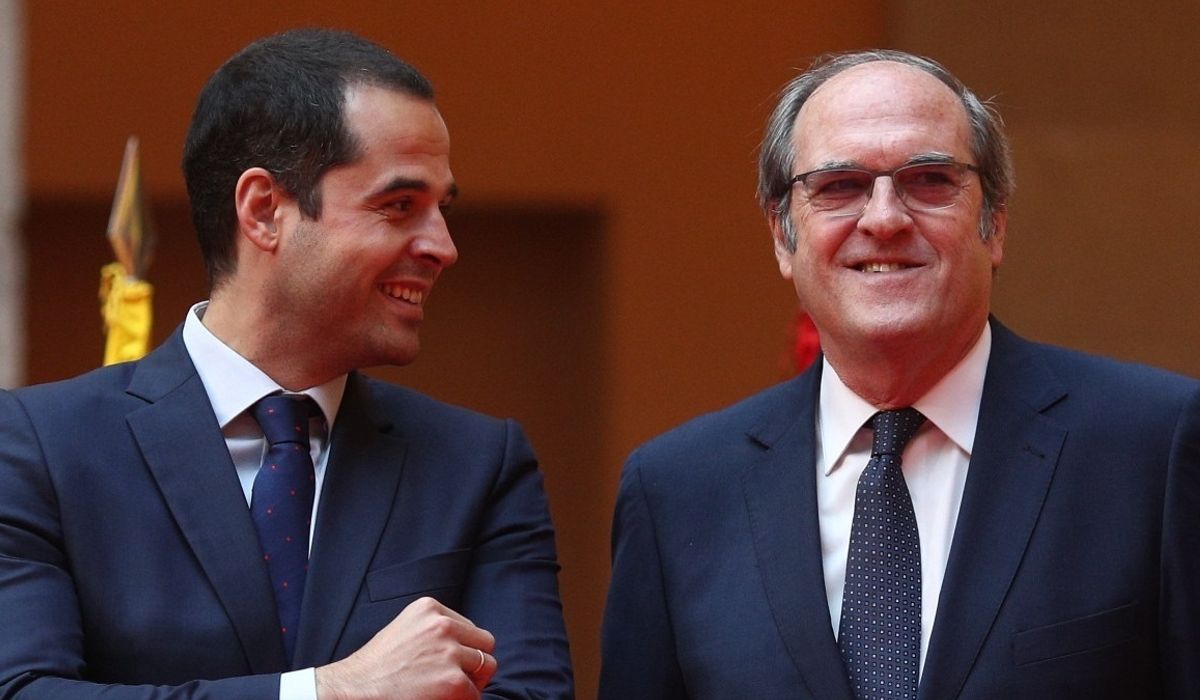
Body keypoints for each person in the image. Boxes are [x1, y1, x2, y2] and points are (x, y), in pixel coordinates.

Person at [599, 49, 1200, 699]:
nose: (884, 219)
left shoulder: (1154, 448)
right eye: (839, 186)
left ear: (995, 224)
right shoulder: (678, 493)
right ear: (781, 234)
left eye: (929, 180)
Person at [0, 29, 573, 699]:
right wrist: (331, 690)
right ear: (265, 210)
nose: (443, 247)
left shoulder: (478, 465)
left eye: (441, 209)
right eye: (399, 206)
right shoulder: (42, 449)